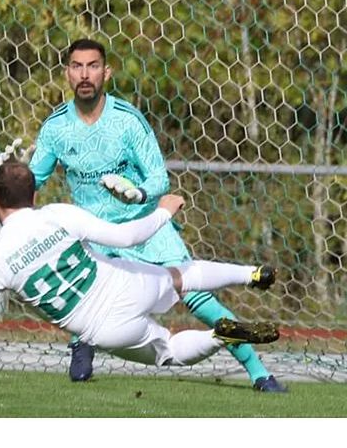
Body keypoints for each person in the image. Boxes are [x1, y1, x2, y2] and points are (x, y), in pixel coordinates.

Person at [22, 38, 287, 392]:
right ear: (67, 73)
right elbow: (31, 181)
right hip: (98, 237)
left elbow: (159, 177)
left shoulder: (128, 121)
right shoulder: (55, 128)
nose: (85, 74)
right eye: (77, 66)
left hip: (146, 227)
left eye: (93, 65)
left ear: (107, 71)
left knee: (196, 295)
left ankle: (259, 374)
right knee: (83, 292)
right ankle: (81, 341)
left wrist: (139, 194)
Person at [0, 162, 279, 390]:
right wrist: (163, 211)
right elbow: (127, 236)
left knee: (171, 352)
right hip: (125, 283)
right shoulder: (57, 213)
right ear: (34, 195)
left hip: (102, 328)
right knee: (182, 276)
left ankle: (219, 335)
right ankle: (249, 273)